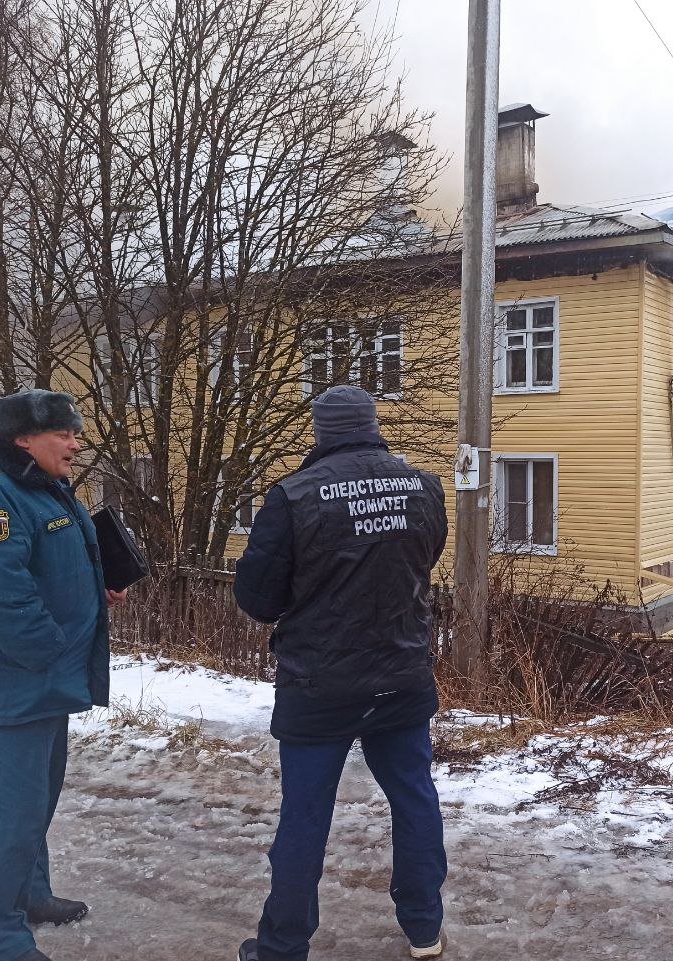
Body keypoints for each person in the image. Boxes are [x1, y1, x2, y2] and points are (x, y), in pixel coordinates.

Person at [234, 385, 449, 961]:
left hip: (319, 685)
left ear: (321, 431)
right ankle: (425, 929)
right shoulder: (424, 488)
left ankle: (282, 946)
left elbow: (257, 600)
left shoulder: (293, 497)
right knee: (414, 799)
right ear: (373, 426)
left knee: (305, 816)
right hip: (402, 675)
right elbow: (423, 561)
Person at [0, 389, 127, 961]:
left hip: (46, 679)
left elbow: (48, 570)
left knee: (35, 803)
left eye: (75, 432)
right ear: (23, 439)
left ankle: (31, 896)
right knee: (8, 817)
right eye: (64, 433)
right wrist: (52, 650)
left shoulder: (45, 493)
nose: (76, 442)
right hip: (15, 682)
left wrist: (98, 593)